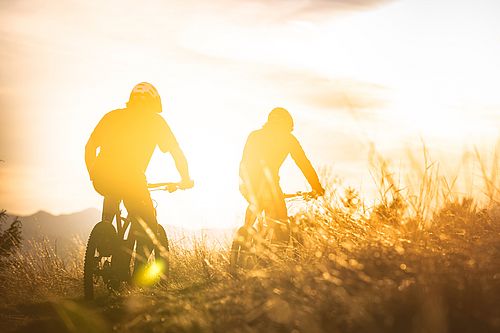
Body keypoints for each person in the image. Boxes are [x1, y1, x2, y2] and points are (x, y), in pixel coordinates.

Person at [85, 82, 193, 282]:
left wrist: (93, 173)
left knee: (112, 193)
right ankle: (136, 276)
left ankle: (106, 232)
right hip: (132, 178)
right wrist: (185, 178)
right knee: (149, 223)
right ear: (153, 103)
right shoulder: (156, 122)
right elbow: (176, 153)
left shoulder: (112, 116)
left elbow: (90, 146)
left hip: (102, 177)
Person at [239, 107, 325, 242]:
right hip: (271, 186)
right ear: (288, 125)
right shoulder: (288, 139)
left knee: (255, 207)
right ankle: (273, 253)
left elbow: (244, 164)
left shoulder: (255, 135)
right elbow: (304, 164)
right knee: (281, 227)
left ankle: (245, 234)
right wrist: (317, 187)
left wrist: (248, 182)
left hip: (247, 184)